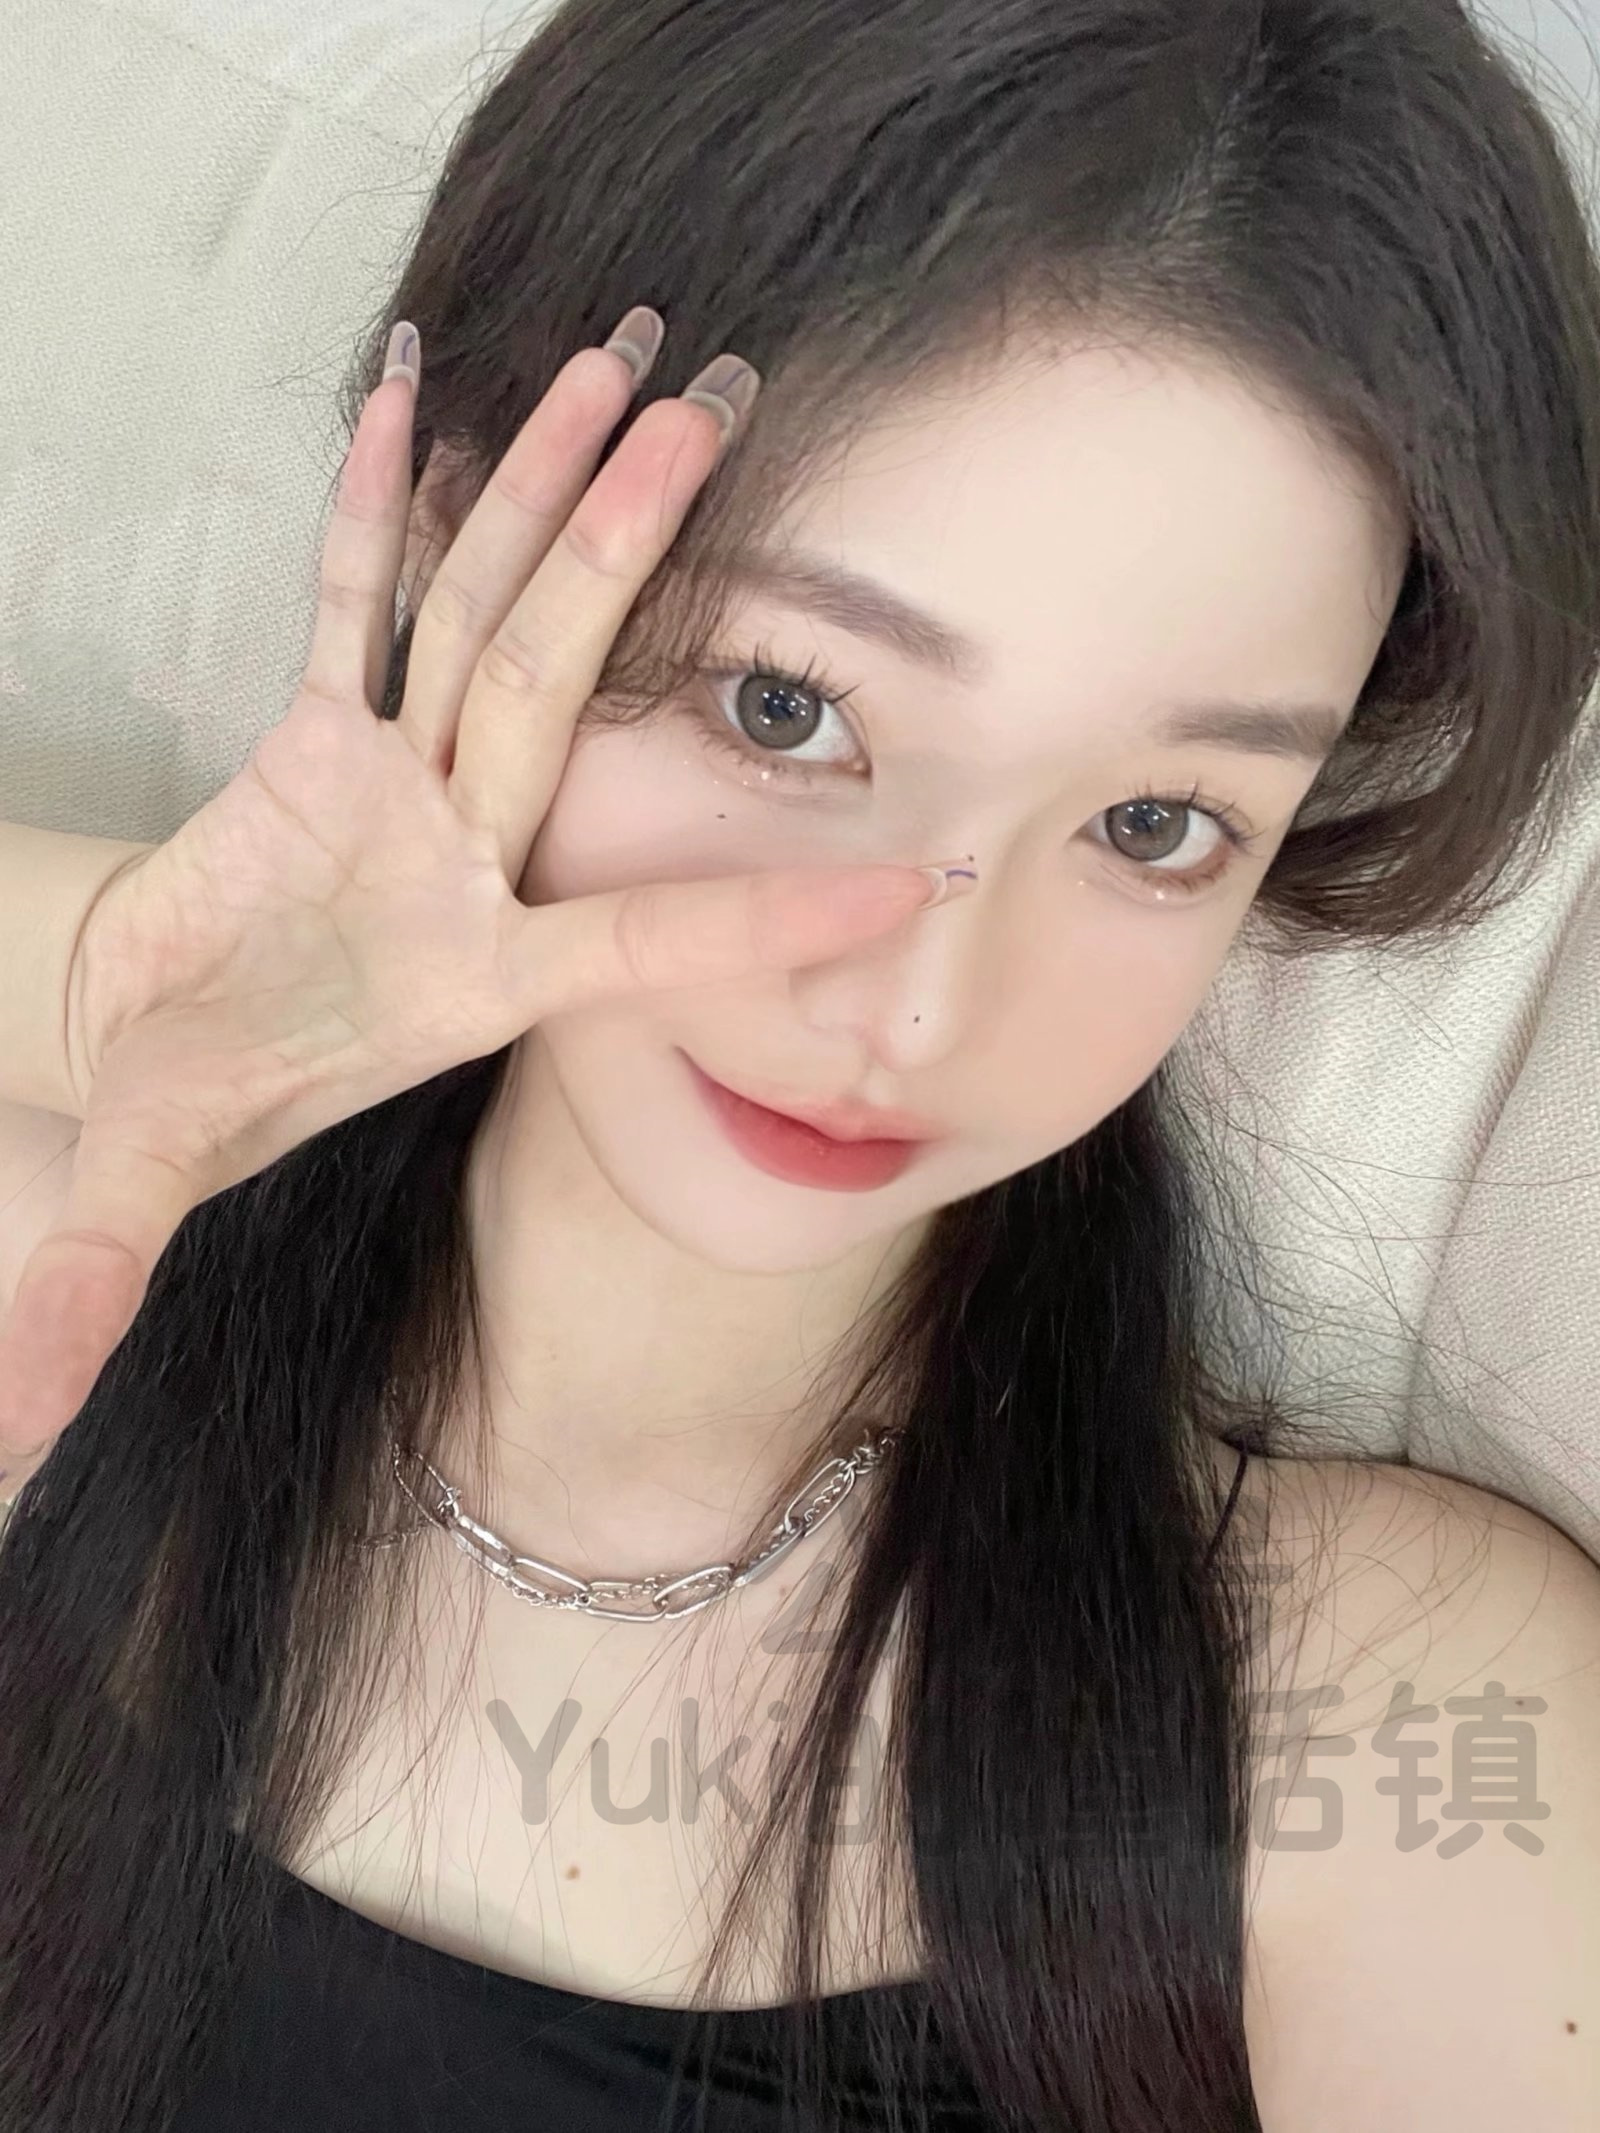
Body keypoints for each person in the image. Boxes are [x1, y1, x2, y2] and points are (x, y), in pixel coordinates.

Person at [1, 0, 1598, 2125]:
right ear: (472, 553)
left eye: (1152, 824)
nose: (916, 1007)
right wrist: (108, 971)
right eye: (786, 707)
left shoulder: (1372, 1704)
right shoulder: (60, 1307)